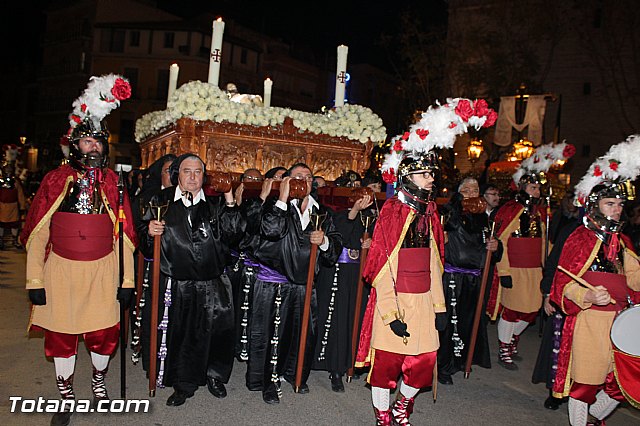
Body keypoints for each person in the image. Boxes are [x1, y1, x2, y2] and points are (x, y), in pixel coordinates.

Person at [356, 98, 498, 425]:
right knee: (388, 365)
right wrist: (390, 313)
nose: (431, 179)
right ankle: (383, 415)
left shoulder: (431, 211)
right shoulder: (392, 210)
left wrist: (440, 308)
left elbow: (436, 263)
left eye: (431, 174)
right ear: (408, 177)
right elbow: (381, 267)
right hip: (395, 300)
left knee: (423, 363)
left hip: (423, 301)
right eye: (424, 174)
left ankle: (402, 406)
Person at [21, 74, 136, 426]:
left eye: (96, 142)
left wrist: (127, 280)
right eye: (85, 142)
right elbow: (38, 232)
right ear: (74, 145)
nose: (92, 148)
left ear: (104, 146)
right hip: (61, 271)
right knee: (62, 337)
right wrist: (34, 280)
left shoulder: (114, 182)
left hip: (103, 271)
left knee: (104, 335)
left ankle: (98, 383)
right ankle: (66, 395)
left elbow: (124, 236)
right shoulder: (55, 180)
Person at [140, 154, 245, 406]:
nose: (193, 177)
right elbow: (144, 240)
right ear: (178, 174)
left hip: (213, 282)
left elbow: (234, 235)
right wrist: (149, 231)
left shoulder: (216, 205)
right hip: (178, 283)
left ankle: (214, 376)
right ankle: (183, 384)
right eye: (187, 171)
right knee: (183, 335)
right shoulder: (161, 201)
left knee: (216, 333)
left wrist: (230, 197)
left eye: (198, 172)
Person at [551, 135, 640, 426]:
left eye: (619, 205)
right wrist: (587, 296)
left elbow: (635, 281)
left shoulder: (624, 241)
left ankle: (592, 420)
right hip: (589, 321)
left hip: (620, 323)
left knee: (620, 385)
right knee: (585, 385)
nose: (616, 209)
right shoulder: (580, 237)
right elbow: (564, 282)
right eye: (609, 203)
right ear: (594, 205)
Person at [246, 163, 342, 404]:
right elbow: (270, 231)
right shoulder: (272, 206)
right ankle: (268, 382)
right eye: (297, 177)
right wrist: (283, 198)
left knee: (303, 334)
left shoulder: (322, 213)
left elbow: (334, 251)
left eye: (308, 178)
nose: (304, 181)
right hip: (273, 284)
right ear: (287, 180)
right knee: (271, 336)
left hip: (304, 285)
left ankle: (294, 373)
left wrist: (324, 242)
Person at [488, 142, 575, 370]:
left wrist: (556, 258)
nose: (537, 192)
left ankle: (513, 339)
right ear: (523, 187)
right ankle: (504, 346)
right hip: (514, 268)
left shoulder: (539, 214)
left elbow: (545, 244)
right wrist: (504, 271)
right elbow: (501, 242)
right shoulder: (510, 210)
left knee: (532, 311)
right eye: (533, 188)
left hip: (535, 271)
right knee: (512, 310)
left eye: (538, 188)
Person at [312, 175, 380, 392]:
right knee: (336, 318)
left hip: (358, 273)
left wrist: (370, 244)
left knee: (355, 316)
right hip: (337, 271)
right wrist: (354, 212)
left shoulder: (373, 218)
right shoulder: (337, 211)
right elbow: (337, 233)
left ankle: (351, 362)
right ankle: (335, 367)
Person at [437, 177, 501, 385]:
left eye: (475, 189)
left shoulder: (484, 219)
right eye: (467, 189)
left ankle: (460, 360)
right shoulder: (450, 212)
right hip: (453, 277)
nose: (472, 193)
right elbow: (444, 229)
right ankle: (442, 365)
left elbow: (492, 247)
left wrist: (496, 246)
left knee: (467, 321)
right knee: (449, 322)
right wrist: (457, 203)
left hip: (474, 278)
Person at [130, 153, 177, 372]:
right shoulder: (149, 199)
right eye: (169, 171)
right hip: (150, 267)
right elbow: (135, 233)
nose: (174, 175)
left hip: (178, 270)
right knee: (152, 315)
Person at [0, 155, 26, 249]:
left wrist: (22, 207)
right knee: (1, 224)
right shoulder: (0, 182)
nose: (8, 172)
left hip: (13, 207)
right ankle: (1, 241)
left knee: (14, 224)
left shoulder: (15, 182)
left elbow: (20, 195)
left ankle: (15, 240)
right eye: (7, 170)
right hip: (2, 206)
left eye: (9, 170)